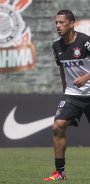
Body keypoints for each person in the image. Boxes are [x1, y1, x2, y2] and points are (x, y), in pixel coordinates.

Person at [43, 9, 90, 181]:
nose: (58, 26)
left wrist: (86, 77)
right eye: (56, 22)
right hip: (72, 95)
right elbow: (63, 69)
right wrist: (65, 90)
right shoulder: (56, 46)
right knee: (57, 126)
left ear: (72, 24)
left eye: (62, 22)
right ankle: (60, 172)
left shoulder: (85, 42)